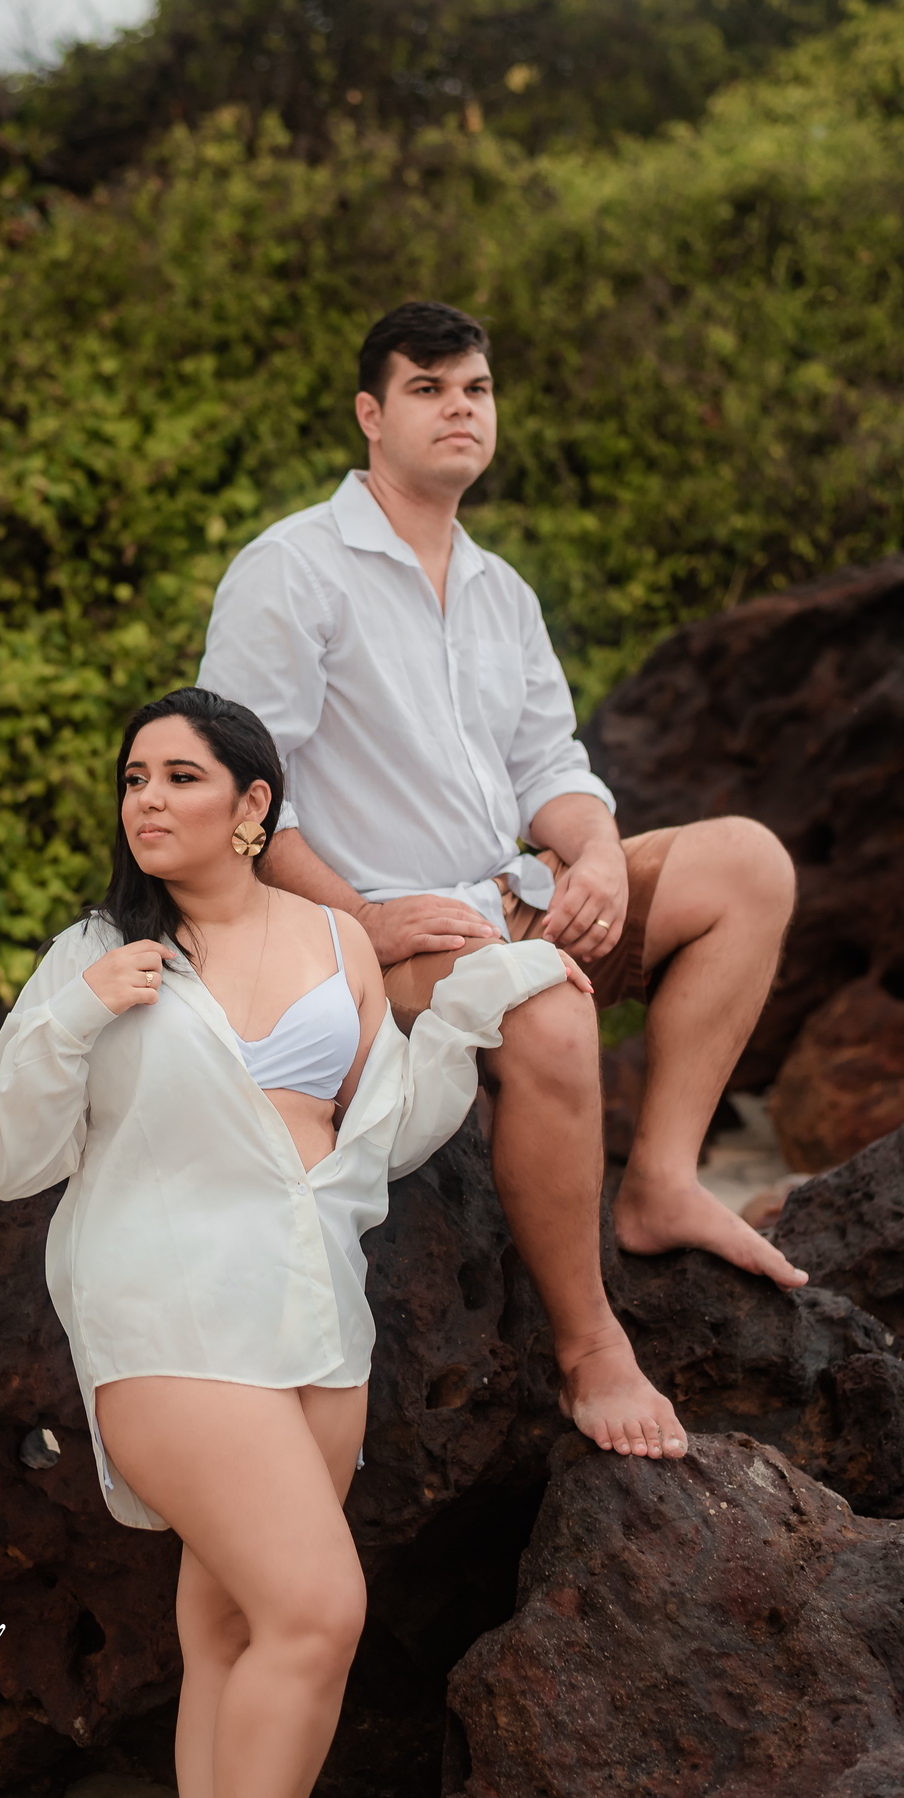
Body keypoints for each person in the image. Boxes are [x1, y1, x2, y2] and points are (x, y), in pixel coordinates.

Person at [0, 686, 607, 1798]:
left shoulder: (334, 936)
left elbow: (383, 1134)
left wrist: (487, 992)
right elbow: (4, 1158)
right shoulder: (99, 949)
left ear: (253, 802)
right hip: (168, 1310)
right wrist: (80, 1013)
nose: (147, 800)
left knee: (227, 1630)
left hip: (314, 1312)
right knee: (319, 1613)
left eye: (179, 776)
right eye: (133, 779)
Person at [197, 299, 810, 1461]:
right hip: (381, 923)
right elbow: (237, 797)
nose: (458, 408)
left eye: (473, 388)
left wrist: (593, 854)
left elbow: (552, 768)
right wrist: (365, 920)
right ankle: (589, 1346)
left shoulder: (499, 589)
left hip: (511, 894)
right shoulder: (292, 572)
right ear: (371, 415)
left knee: (748, 863)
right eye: (428, 388)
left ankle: (664, 1180)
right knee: (546, 1009)